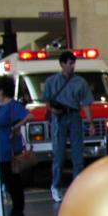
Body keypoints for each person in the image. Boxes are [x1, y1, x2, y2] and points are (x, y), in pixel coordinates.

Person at [42, 50, 95, 202]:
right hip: (58, 118)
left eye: (73, 63)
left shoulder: (80, 82)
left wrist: (90, 123)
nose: (72, 66)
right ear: (62, 64)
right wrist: (53, 110)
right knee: (58, 154)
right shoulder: (52, 81)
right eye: (70, 63)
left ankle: (77, 186)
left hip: (74, 116)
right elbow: (47, 101)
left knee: (78, 154)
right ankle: (55, 186)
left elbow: (86, 104)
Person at [0, 75, 33, 216]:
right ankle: (15, 207)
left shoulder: (12, 105)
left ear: (2, 90)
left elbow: (30, 116)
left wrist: (17, 125)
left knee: (12, 178)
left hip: (9, 146)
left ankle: (18, 208)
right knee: (6, 177)